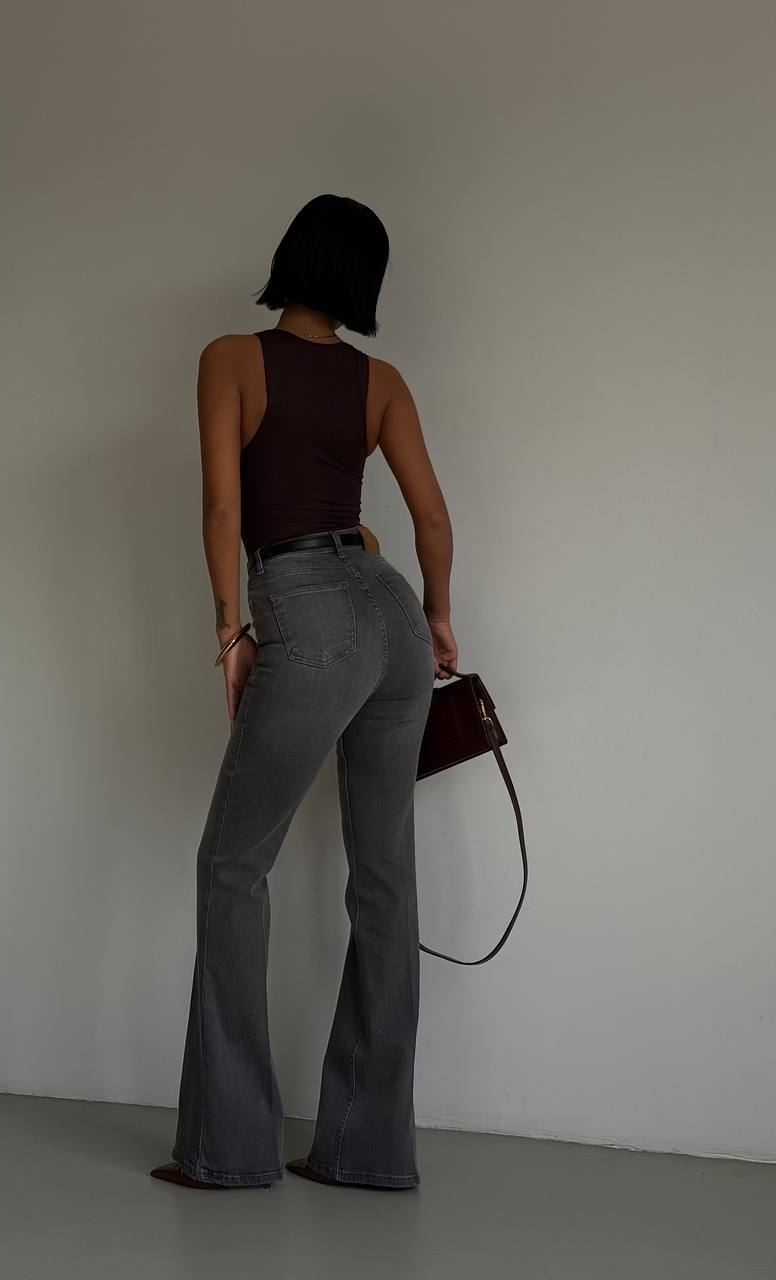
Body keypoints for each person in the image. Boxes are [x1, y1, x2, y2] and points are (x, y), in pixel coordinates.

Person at [150, 193, 456, 1192]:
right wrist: (438, 616)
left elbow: (223, 504)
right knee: (385, 879)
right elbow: (431, 519)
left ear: (290, 258)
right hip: (390, 607)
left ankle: (231, 1149)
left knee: (233, 864)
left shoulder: (231, 359)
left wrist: (230, 630)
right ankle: (370, 1150)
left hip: (304, 606)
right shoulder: (382, 381)